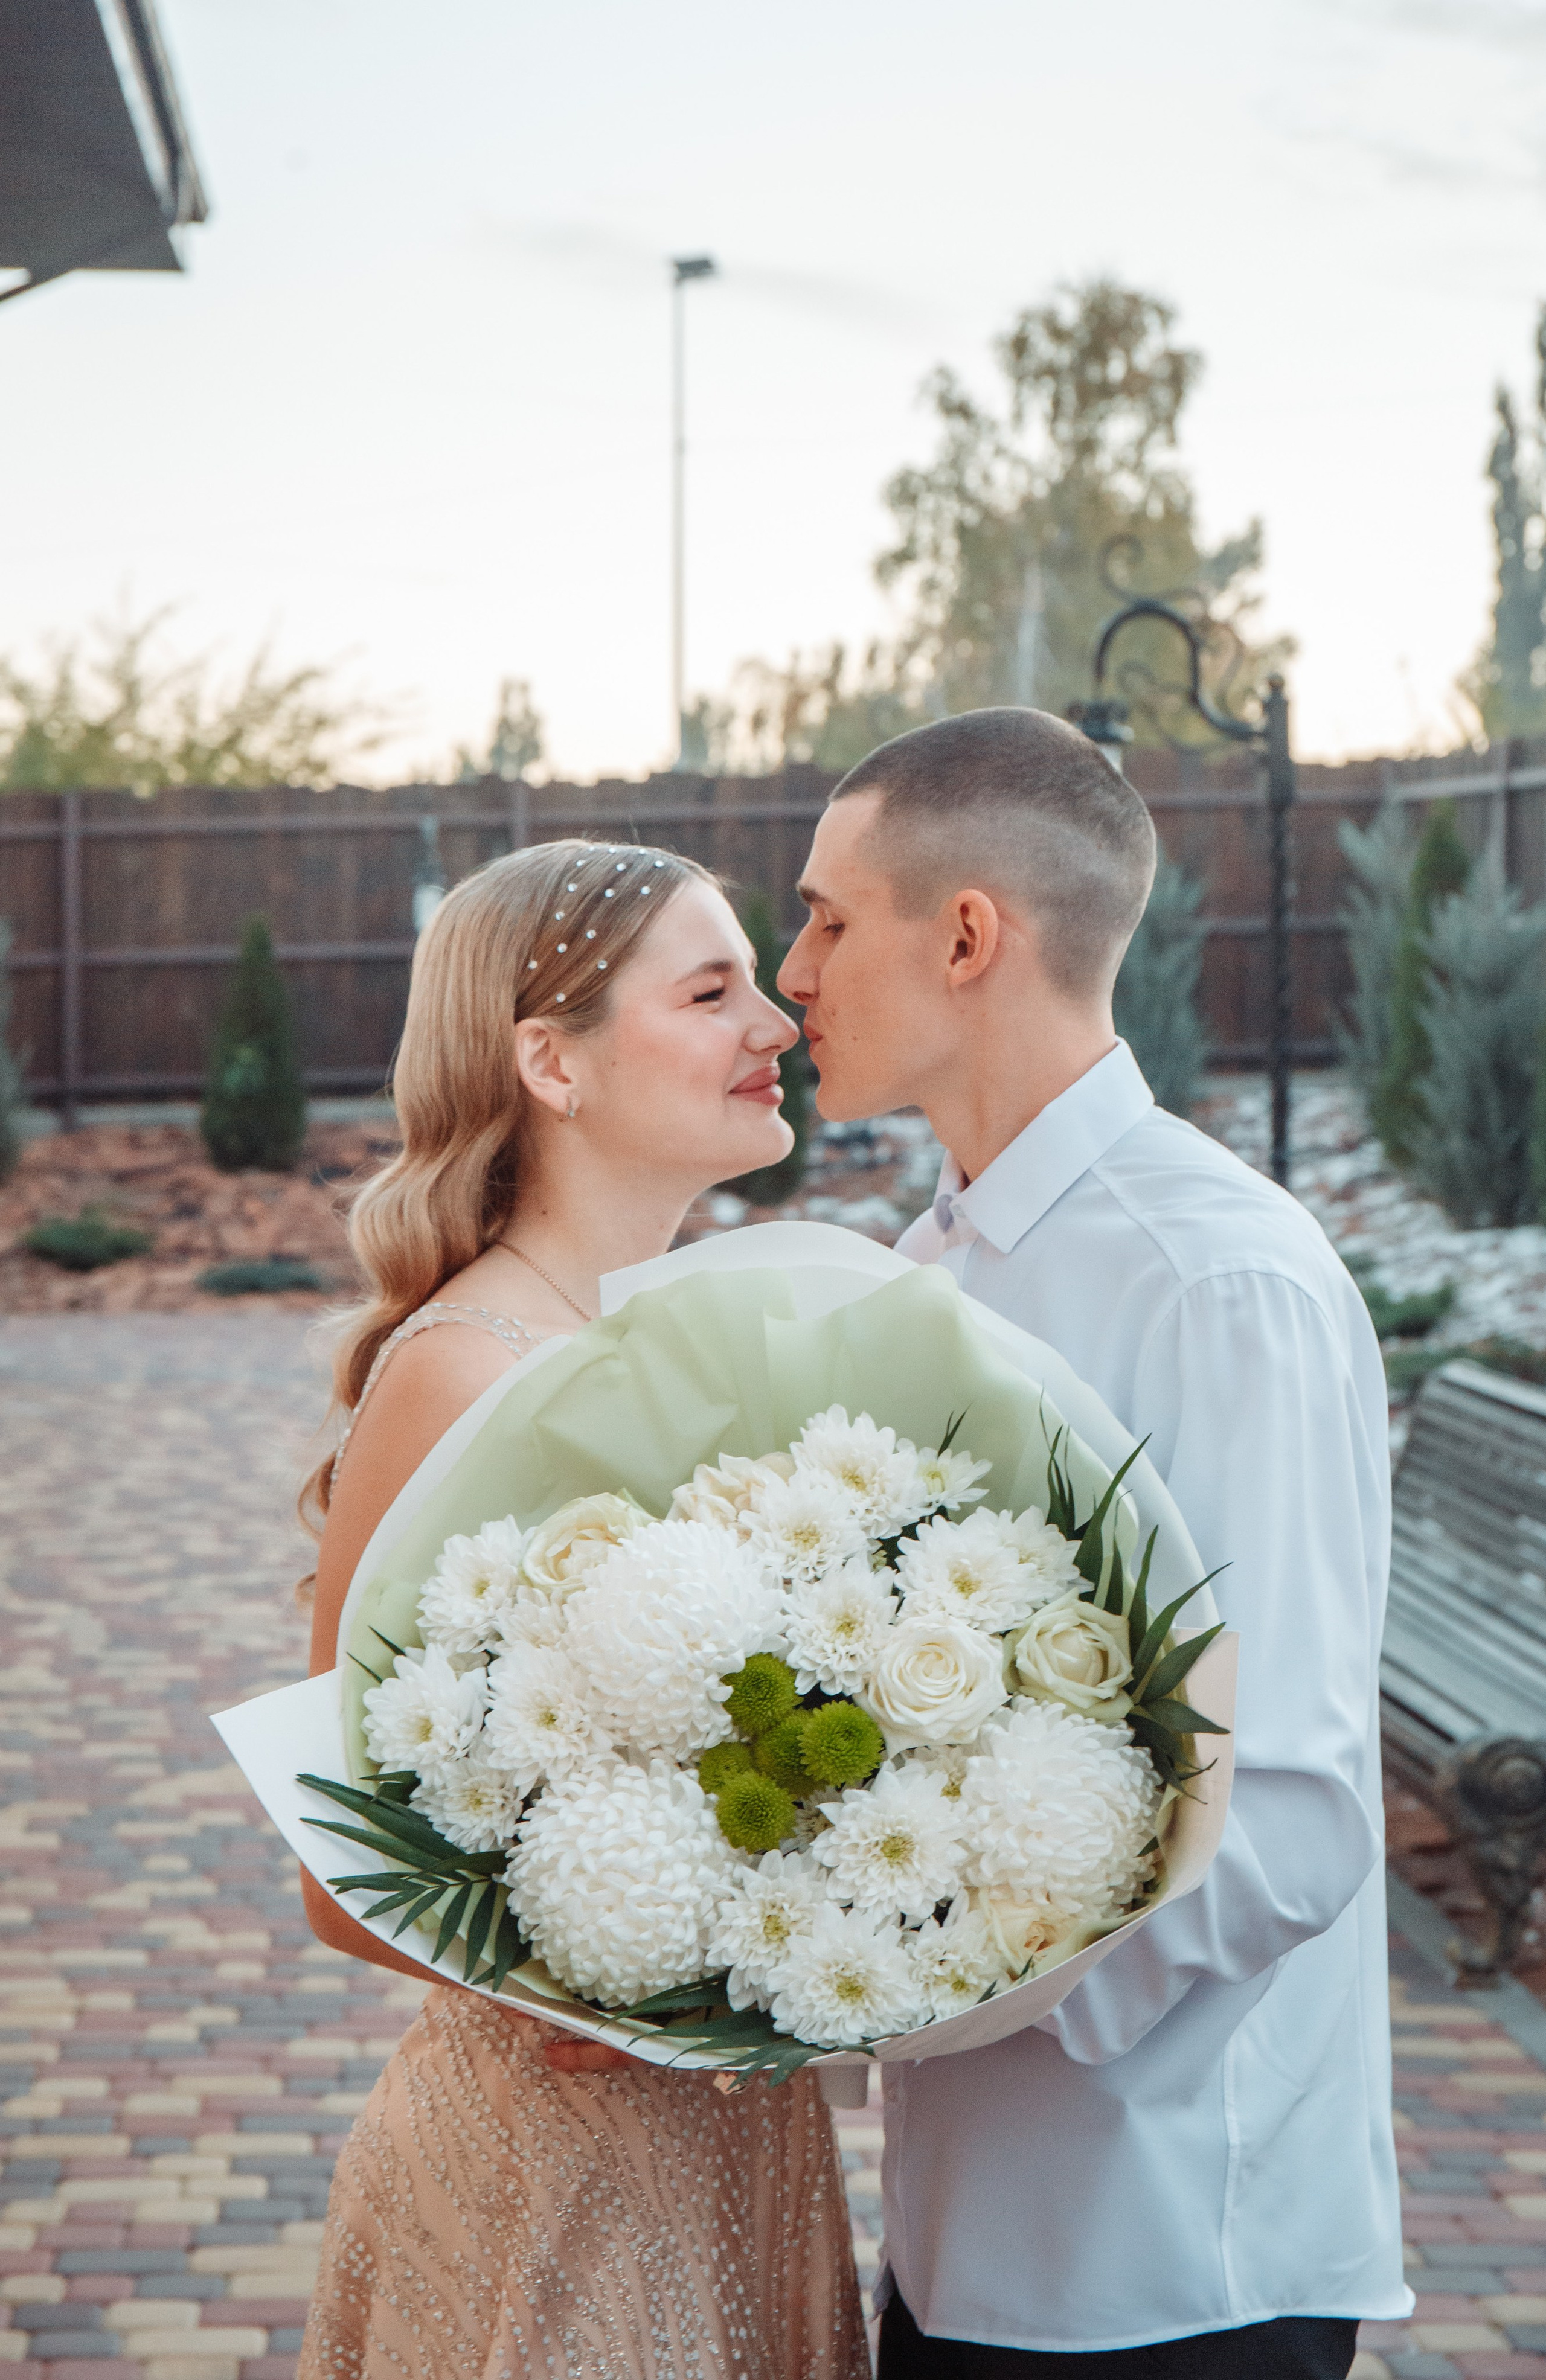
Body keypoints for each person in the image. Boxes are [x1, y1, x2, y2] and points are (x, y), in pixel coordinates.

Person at [777, 709, 1410, 2379]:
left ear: (968, 931)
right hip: (950, 2235)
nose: (794, 967)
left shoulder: (1222, 1279)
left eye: (829, 915)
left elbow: (1293, 1811)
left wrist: (930, 1969)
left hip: (1176, 2251)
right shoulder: (922, 1266)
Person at [296, 839, 870, 2380]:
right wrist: (632, 1986)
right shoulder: (463, 1367)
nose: (775, 1023)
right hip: (555, 2170)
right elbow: (339, 1868)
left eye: (761, 980)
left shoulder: (711, 1343)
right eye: (711, 989)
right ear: (549, 1060)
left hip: (745, 2139)